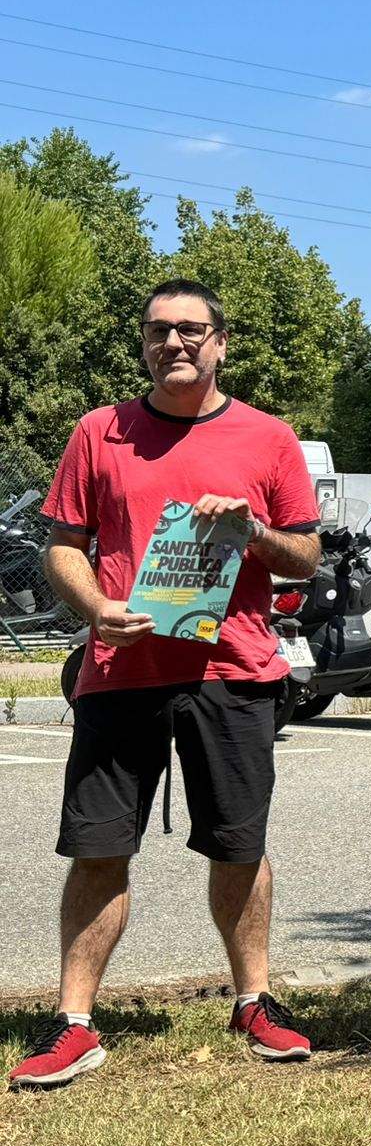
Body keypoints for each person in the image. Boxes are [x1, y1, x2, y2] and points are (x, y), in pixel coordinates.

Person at [11, 279, 323, 1090]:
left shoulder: (268, 437)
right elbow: (62, 545)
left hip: (234, 670)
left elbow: (305, 556)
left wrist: (253, 531)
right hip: (123, 671)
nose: (173, 343)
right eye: (158, 331)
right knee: (98, 847)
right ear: (144, 343)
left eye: (190, 329)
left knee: (239, 846)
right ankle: (75, 1022)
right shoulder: (98, 431)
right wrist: (94, 607)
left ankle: (253, 1001)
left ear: (221, 341)